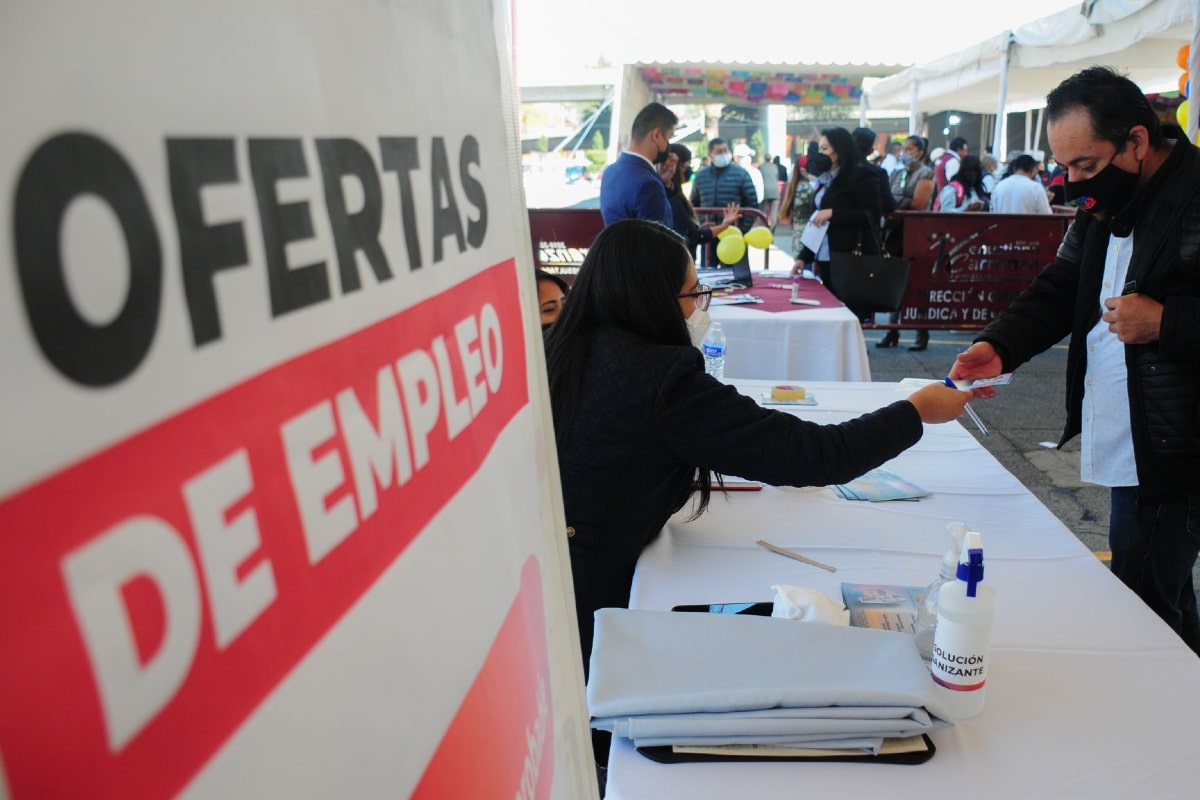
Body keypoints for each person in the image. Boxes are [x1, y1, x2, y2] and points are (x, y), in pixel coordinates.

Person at [546, 219, 971, 673]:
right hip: (593, 602)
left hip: (552, 576)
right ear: (652, 299)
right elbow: (817, 455)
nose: (700, 310)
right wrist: (916, 410)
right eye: (693, 295)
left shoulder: (560, 346)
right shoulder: (659, 379)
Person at [949, 66, 1200, 656]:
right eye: (1063, 166)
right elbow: (1063, 284)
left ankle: (1157, 723)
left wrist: (1168, 321)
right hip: (1128, 432)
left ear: (1137, 141)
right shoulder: (1104, 204)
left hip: (1178, 443)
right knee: (1159, 592)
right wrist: (1001, 344)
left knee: (1142, 601)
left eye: (1085, 165)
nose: (1072, 182)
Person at [791, 127, 883, 296]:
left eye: (824, 149)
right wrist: (804, 257)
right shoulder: (825, 179)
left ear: (840, 150)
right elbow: (818, 221)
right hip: (825, 257)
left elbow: (872, 215)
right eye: (819, 149)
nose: (820, 154)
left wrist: (834, 213)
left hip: (851, 258)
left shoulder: (861, 176)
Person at [879, 135, 936, 350]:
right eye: (903, 148)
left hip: (918, 235)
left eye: (909, 148)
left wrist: (897, 204)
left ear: (920, 152)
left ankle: (922, 332)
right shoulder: (897, 172)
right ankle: (892, 331)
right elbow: (886, 197)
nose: (904, 152)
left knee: (917, 283)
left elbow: (918, 203)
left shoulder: (926, 173)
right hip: (896, 234)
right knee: (896, 283)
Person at [689, 137, 758, 280]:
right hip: (709, 234)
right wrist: (701, 225)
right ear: (710, 155)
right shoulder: (701, 176)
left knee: (736, 279)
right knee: (708, 278)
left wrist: (741, 230)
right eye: (719, 151)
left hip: (733, 235)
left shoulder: (741, 174)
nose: (723, 154)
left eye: (725, 150)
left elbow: (752, 203)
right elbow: (693, 204)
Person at [599, 102, 677, 227]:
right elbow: (660, 242)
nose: (668, 145)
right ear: (656, 135)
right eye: (668, 138)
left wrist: (663, 181)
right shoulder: (648, 184)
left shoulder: (610, 172)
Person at [659, 142, 741, 258]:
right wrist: (725, 225)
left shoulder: (671, 192)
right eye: (686, 167)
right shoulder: (671, 198)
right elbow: (694, 236)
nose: (688, 172)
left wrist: (696, 226)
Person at [778, 152, 831, 275]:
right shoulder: (807, 189)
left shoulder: (796, 186)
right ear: (803, 171)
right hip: (808, 238)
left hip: (799, 237)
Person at [853, 126, 897, 217]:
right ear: (871, 150)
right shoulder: (878, 173)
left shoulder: (839, 170)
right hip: (866, 226)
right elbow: (889, 205)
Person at [757, 152, 782, 228]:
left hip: (764, 191)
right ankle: (773, 228)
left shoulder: (760, 167)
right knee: (773, 212)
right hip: (774, 191)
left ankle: (763, 227)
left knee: (762, 210)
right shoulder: (775, 167)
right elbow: (777, 177)